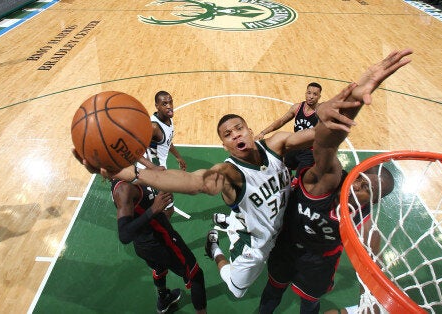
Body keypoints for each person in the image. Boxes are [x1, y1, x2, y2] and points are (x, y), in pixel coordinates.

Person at [75, 48, 413, 300]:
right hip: (262, 242)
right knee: (236, 289)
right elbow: (191, 182)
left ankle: (233, 226)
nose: (236, 135)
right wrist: (131, 172)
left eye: (239, 128)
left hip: (289, 226)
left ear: (251, 131)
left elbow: (324, 138)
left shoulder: (277, 144)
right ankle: (217, 247)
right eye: (227, 134)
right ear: (225, 146)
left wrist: (343, 104)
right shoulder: (230, 173)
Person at [258, 50, 409, 314]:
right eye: (362, 180)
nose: (359, 186)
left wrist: (371, 299)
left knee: (310, 304)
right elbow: (326, 146)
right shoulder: (330, 179)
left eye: (367, 190)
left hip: (319, 263)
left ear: (373, 201)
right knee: (272, 292)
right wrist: (353, 100)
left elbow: (373, 265)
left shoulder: (364, 222)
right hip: (287, 246)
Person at [110, 179, 207, 313]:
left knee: (159, 267)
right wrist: (154, 209)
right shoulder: (123, 188)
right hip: (160, 241)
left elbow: (138, 210)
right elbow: (124, 235)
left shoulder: (124, 179)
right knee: (195, 274)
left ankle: (163, 299)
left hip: (144, 244)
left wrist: (160, 207)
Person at [137, 91, 187, 218]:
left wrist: (178, 156)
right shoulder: (153, 127)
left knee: (160, 207)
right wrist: (152, 168)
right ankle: (160, 234)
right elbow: (135, 151)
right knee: (167, 209)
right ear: (157, 106)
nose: (169, 106)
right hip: (152, 173)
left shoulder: (168, 119)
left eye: (170, 102)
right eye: (164, 104)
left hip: (158, 170)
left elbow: (168, 141)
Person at [255, 82, 322, 172]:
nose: (311, 96)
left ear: (319, 97)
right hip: (296, 145)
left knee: (300, 180)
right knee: (283, 170)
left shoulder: (321, 112)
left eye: (315, 94)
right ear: (305, 93)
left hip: (310, 151)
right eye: (309, 93)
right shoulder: (297, 107)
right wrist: (263, 132)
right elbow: (281, 121)